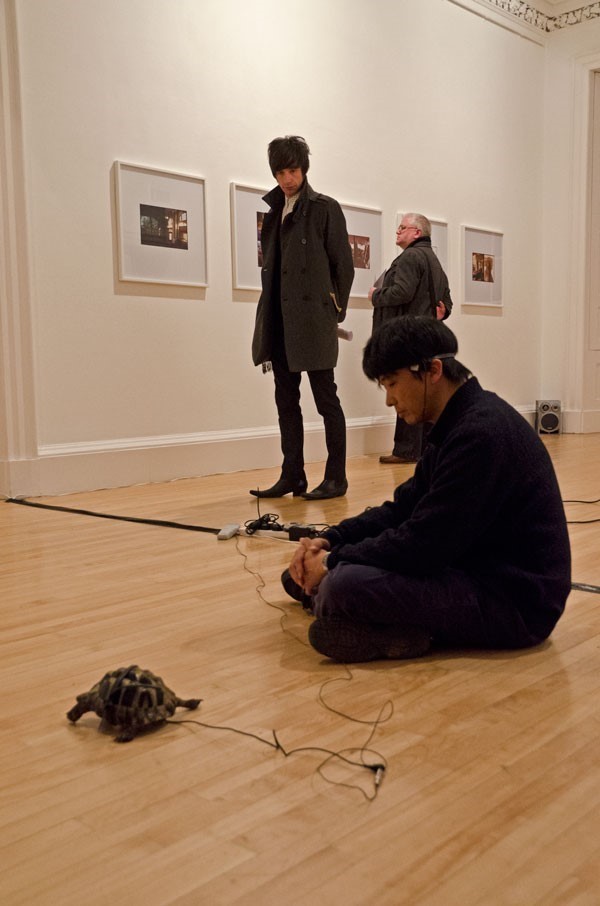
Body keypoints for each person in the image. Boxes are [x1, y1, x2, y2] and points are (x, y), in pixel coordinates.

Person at [282, 316, 571, 663]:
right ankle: (392, 625)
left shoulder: (481, 434)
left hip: (515, 604)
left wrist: (331, 561)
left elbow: (424, 545)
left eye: (392, 383)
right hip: (471, 569)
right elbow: (401, 509)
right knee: (298, 578)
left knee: (339, 586)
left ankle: (399, 628)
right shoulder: (458, 422)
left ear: (432, 370)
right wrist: (330, 539)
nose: (389, 400)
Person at [251, 135, 354, 500]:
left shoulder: (325, 209)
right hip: (279, 321)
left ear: (304, 168)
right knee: (285, 401)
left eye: (292, 170)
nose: (287, 179)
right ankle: (292, 475)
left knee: (327, 400)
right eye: (280, 172)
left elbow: (344, 267)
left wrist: (332, 312)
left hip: (314, 321)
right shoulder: (274, 211)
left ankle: (336, 478)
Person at [368, 213, 453, 464]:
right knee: (424, 391)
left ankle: (406, 450)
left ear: (418, 233)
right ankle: (424, 449)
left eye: (403, 228)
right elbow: (446, 300)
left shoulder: (410, 257)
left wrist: (376, 295)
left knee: (406, 391)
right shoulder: (433, 260)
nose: (398, 231)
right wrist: (442, 312)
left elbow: (401, 293)